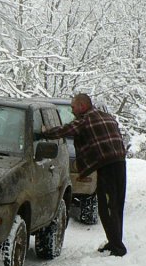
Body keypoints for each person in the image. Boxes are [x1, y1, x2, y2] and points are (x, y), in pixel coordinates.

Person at [43, 93, 127, 257]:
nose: (72, 110)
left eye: (73, 107)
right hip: (120, 163)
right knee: (116, 205)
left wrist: (45, 132)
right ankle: (115, 241)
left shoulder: (85, 119)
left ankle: (117, 247)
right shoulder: (107, 117)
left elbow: (65, 130)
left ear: (82, 106)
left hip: (107, 167)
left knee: (106, 207)